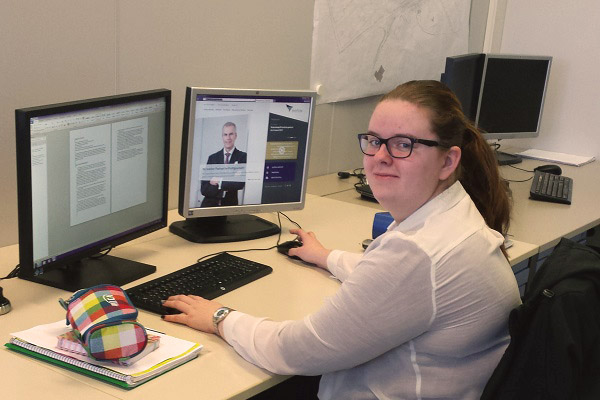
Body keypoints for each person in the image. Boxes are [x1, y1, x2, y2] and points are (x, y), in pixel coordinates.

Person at [162, 80, 521, 399]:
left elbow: (295, 351)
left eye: (403, 144)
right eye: (374, 141)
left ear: (447, 161)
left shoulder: (417, 253)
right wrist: (326, 256)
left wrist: (220, 316)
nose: (380, 157)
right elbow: (390, 281)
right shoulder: (452, 216)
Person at [200, 121, 247, 207]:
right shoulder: (212, 158)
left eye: (231, 134)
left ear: (235, 136)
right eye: (225, 134)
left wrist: (218, 181)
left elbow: (239, 184)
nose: (228, 138)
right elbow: (204, 189)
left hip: (229, 205)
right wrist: (229, 180)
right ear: (222, 137)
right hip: (209, 205)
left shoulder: (243, 157)